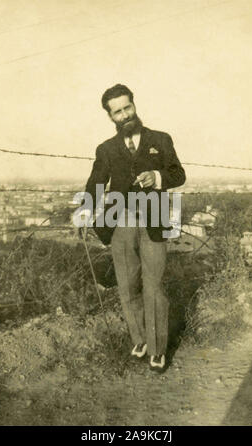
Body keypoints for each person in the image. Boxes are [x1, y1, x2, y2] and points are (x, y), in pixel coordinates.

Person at [78, 84, 186, 372]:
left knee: (154, 287)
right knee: (127, 287)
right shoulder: (107, 149)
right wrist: (85, 211)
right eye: (117, 111)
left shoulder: (160, 140)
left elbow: (178, 174)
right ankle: (139, 339)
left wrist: (157, 175)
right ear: (110, 117)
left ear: (134, 105)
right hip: (120, 226)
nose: (125, 115)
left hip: (154, 222)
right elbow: (96, 183)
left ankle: (158, 349)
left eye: (127, 107)